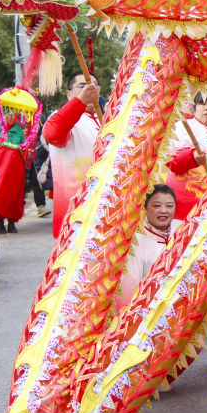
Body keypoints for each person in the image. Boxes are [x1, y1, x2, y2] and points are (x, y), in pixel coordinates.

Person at [42, 71, 102, 238]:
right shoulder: (63, 117)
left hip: (103, 205)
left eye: (95, 86)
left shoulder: (103, 120)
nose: (90, 89)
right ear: (69, 94)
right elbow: (52, 134)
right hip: (77, 209)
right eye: (82, 86)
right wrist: (81, 101)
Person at [115, 185, 182, 310]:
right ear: (145, 208)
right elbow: (129, 288)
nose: (163, 211)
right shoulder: (136, 241)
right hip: (150, 312)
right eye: (157, 206)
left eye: (169, 206)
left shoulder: (183, 229)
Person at [166, 93, 207, 220]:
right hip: (181, 207)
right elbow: (170, 162)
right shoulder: (182, 127)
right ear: (194, 107)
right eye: (203, 103)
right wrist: (192, 158)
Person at [0, 111, 26, 234]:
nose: (12, 118)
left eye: (14, 115)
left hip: (14, 168)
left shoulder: (19, 130)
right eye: (9, 115)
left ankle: (12, 222)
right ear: (3, 115)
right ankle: (0, 222)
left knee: (14, 193)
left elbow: (23, 146)